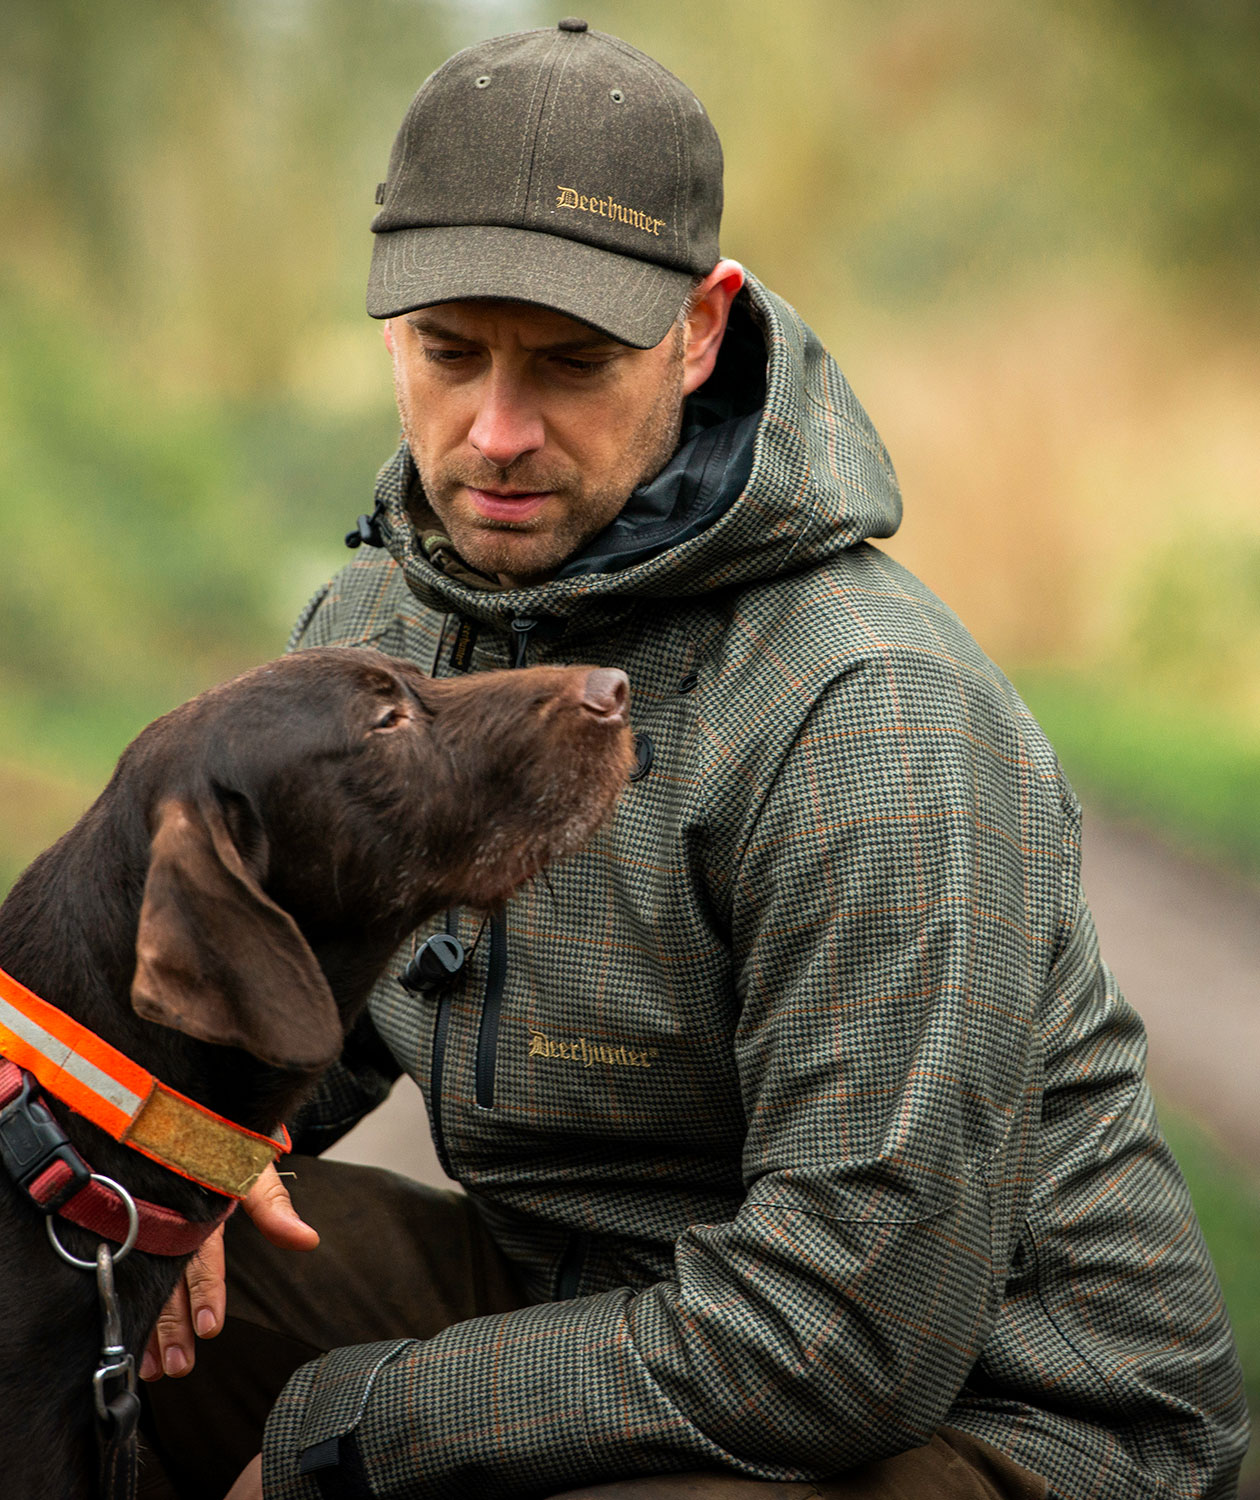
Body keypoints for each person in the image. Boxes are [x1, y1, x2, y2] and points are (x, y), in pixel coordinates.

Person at [140, 20, 1248, 1500]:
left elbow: (845, 1336)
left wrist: (368, 1426)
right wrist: (174, 1156)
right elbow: (294, 1026)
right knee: (79, 1253)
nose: (496, 429)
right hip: (577, 1298)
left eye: (572, 364)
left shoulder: (872, 716)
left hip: (982, 1410)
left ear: (701, 329)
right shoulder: (383, 624)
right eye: (448, 354)